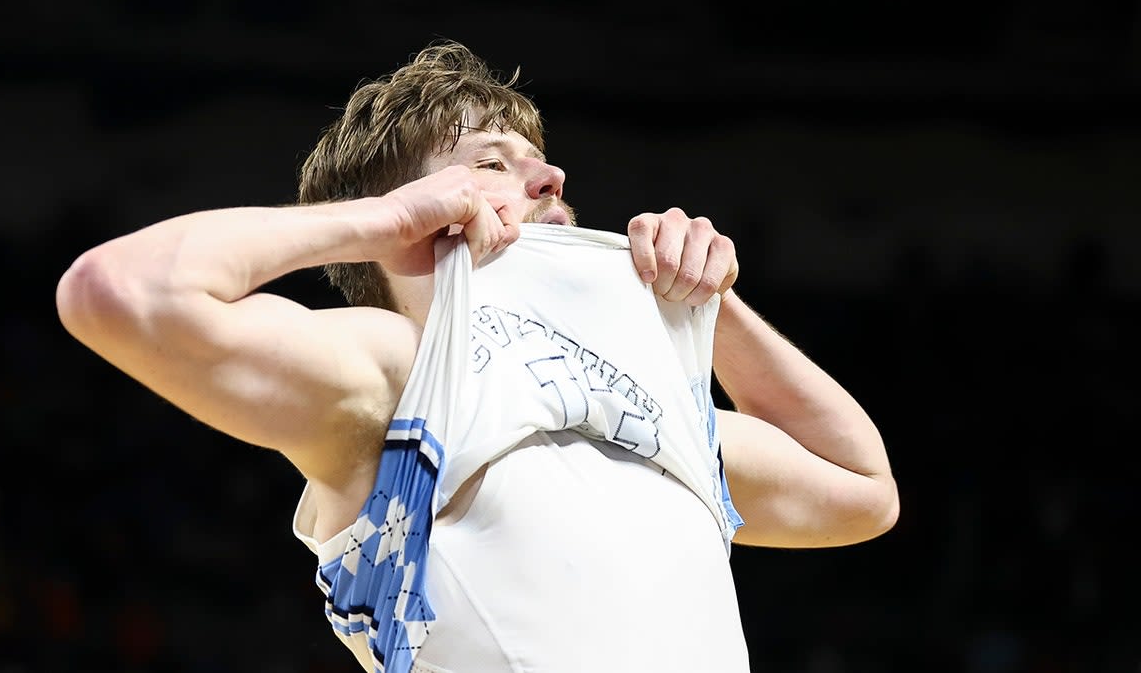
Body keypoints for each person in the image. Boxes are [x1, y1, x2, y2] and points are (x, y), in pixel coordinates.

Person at [55, 40, 899, 673]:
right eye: (491, 165)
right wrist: (377, 222)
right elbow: (117, 291)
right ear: (418, 211)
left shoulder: (646, 400)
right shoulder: (398, 368)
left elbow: (865, 493)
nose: (550, 178)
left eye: (541, 165)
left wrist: (712, 302)